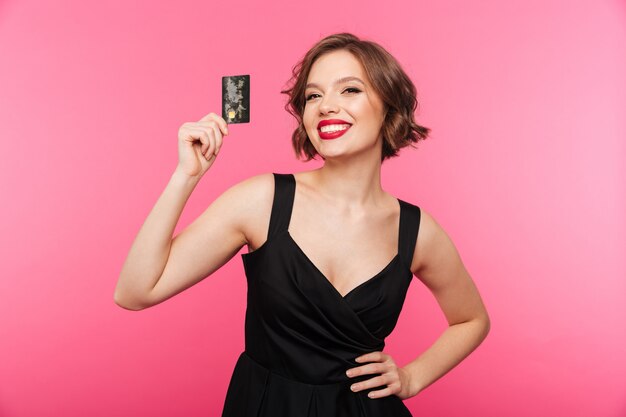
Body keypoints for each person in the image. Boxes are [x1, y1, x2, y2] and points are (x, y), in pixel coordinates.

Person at [114, 32, 490, 417]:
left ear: (389, 108)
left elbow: (472, 319)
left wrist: (413, 376)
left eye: (350, 90)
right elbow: (135, 291)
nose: (326, 106)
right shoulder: (262, 200)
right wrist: (186, 176)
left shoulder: (416, 230)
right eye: (313, 96)